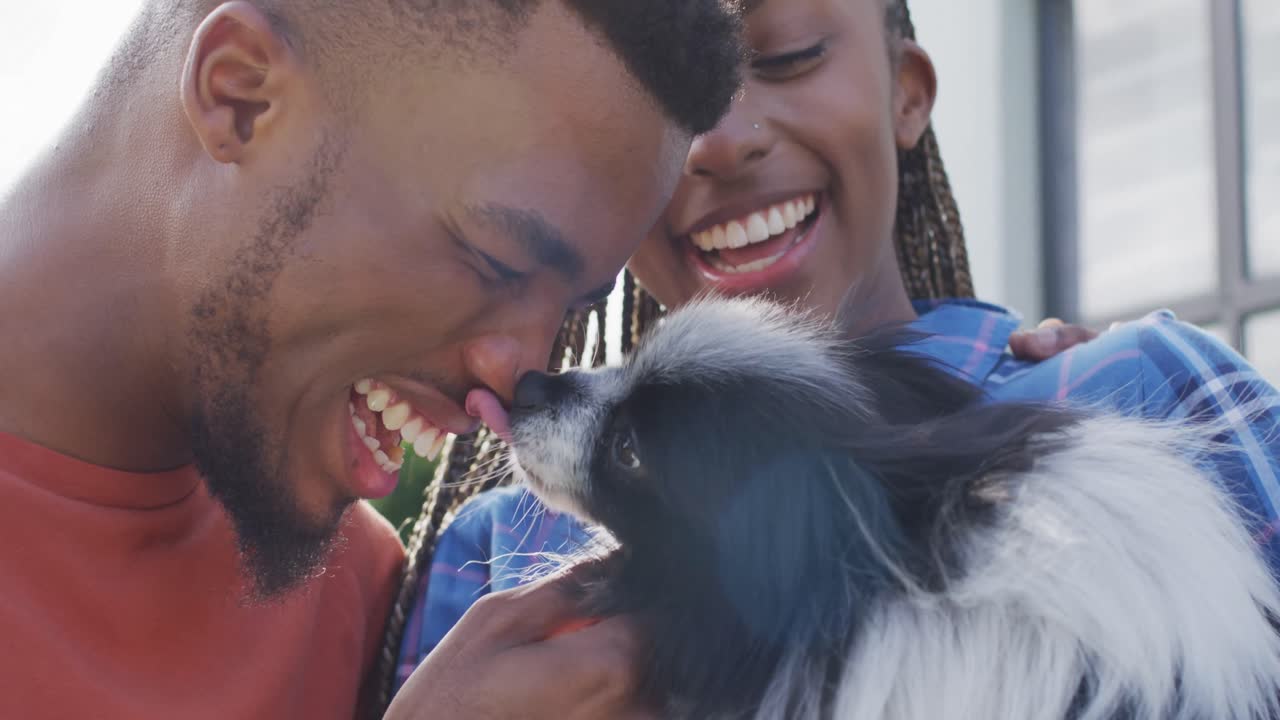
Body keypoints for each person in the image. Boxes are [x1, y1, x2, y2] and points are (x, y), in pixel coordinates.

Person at [388, 0, 1280, 703]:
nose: (723, 140)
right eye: (662, 103)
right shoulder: (498, 556)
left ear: (908, 91)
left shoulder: (1152, 397)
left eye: (788, 57)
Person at [0, 1, 747, 718]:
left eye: (574, 310)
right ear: (241, 98)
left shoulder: (367, 600)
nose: (518, 379)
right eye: (496, 261)